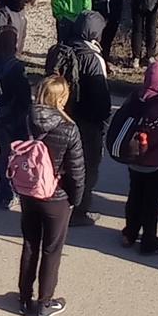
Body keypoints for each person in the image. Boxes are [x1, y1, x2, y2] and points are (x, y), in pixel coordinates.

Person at [16, 75, 86, 316]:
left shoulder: (26, 119)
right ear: (62, 98)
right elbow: (76, 170)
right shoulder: (69, 128)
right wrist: (76, 200)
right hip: (56, 196)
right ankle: (45, 303)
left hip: (28, 191)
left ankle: (24, 297)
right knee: (51, 249)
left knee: (30, 244)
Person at [106, 59, 158, 253]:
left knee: (135, 194)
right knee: (152, 201)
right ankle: (149, 240)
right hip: (157, 163)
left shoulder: (136, 97)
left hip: (134, 158)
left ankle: (130, 233)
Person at [46, 13, 113, 224]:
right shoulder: (92, 58)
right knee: (87, 166)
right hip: (86, 122)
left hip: (61, 117)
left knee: (63, 163)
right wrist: (104, 121)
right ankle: (79, 211)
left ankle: (58, 204)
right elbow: (100, 96)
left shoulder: (62, 48)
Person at [0, 27, 32, 210]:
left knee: (4, 154)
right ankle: (15, 191)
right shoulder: (15, 66)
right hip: (14, 117)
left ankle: (5, 193)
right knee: (18, 155)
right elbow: (24, 96)